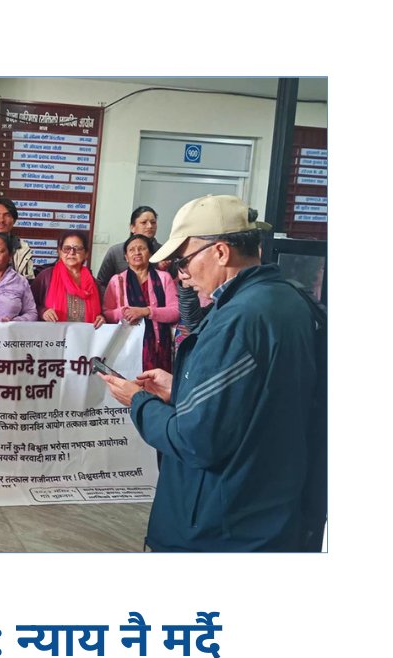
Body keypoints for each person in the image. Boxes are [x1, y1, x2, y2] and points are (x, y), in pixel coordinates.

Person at [99, 195, 323, 552]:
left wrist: (138, 401)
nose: (182, 276)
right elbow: (254, 399)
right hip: (272, 512)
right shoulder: (290, 300)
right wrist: (181, 389)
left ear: (220, 252)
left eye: (184, 262)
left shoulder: (237, 320)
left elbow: (194, 441)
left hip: (222, 525)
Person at [103, 234, 179, 374]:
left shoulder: (164, 278)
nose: (137, 252)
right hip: (127, 346)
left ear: (150, 253)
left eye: (141, 248)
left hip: (158, 347)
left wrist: (146, 311)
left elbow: (175, 311)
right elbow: (106, 313)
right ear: (126, 257)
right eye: (132, 250)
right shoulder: (117, 280)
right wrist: (125, 312)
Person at [31, 231, 104, 326]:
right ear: (59, 252)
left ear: (86, 254)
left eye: (77, 249)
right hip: (52, 333)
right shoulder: (46, 277)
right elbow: (28, 306)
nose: (72, 252)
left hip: (86, 334)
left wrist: (101, 317)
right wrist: (43, 312)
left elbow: (104, 311)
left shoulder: (94, 283)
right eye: (67, 248)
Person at [95, 205, 160, 296]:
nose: (149, 226)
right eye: (144, 222)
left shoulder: (164, 252)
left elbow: (174, 282)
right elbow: (102, 283)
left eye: (153, 222)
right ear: (132, 227)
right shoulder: (116, 252)